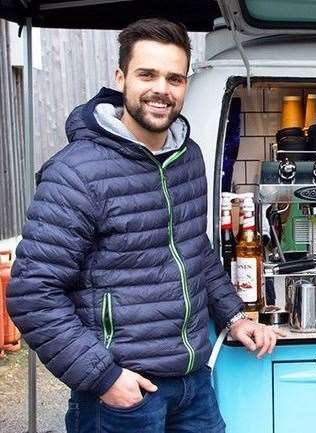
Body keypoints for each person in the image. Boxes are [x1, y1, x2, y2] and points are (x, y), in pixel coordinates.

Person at [7, 18, 282, 433]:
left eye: (174, 78)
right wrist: (104, 379)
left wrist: (234, 317)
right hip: (123, 394)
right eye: (147, 74)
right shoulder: (76, 172)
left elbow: (195, 250)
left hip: (193, 383)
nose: (162, 90)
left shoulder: (186, 156)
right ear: (121, 78)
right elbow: (33, 293)